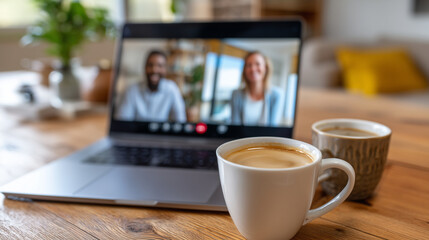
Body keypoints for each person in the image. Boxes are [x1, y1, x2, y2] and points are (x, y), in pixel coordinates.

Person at [116, 50, 186, 122]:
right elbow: (122, 120)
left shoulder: (172, 89)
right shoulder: (132, 90)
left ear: (165, 69)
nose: (154, 70)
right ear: (145, 68)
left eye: (160, 65)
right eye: (150, 65)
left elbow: (180, 119)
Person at [230, 51, 284, 126]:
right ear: (244, 70)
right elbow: (235, 128)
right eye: (249, 65)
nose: (253, 69)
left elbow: (272, 129)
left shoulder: (277, 95)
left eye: (257, 64)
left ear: (265, 68)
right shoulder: (236, 94)